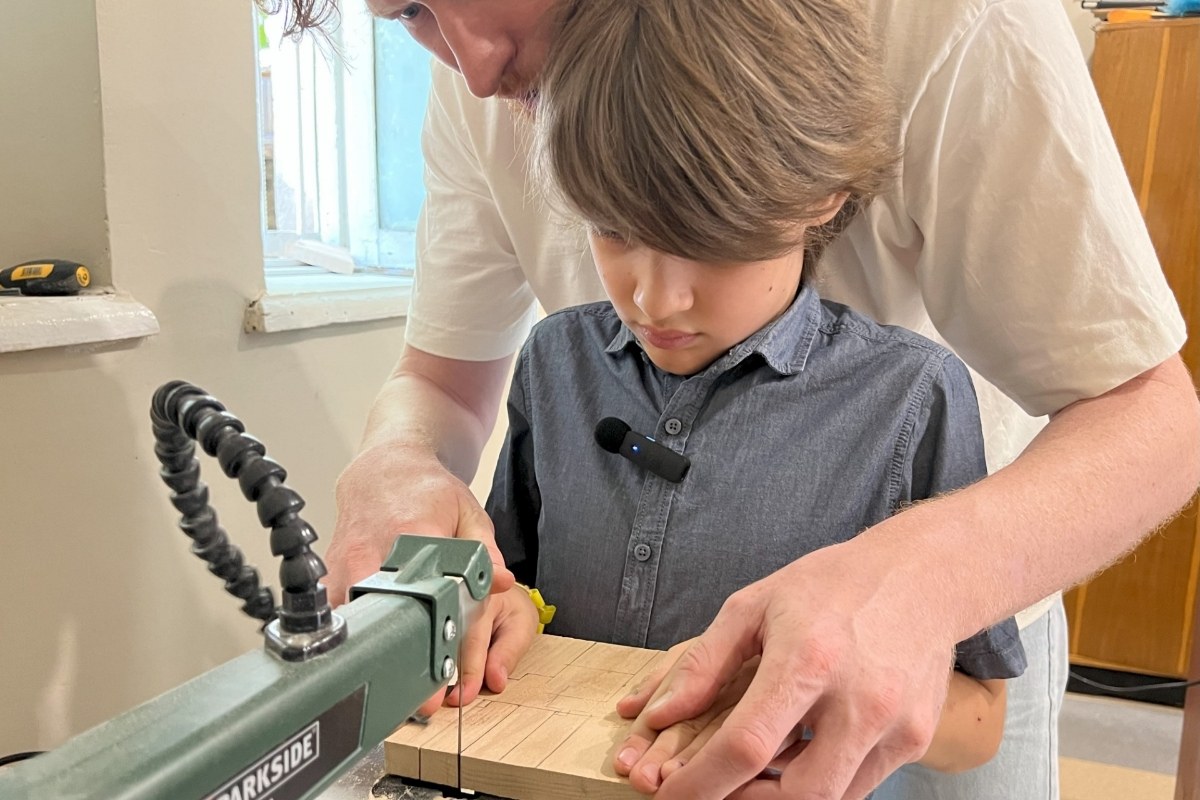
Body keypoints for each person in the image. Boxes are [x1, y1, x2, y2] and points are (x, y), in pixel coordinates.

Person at [297, 0, 1200, 795]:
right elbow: (443, 385)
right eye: (408, 10)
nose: (477, 66)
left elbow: (1151, 414)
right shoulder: (557, 351)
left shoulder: (952, 24)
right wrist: (396, 463)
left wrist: (916, 579)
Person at [474, 1, 1030, 792]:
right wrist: (510, 614)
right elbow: (517, 580)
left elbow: (980, 719)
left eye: (705, 241)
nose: (656, 299)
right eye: (612, 230)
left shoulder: (909, 398)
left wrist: (803, 687)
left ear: (821, 195)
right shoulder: (556, 360)